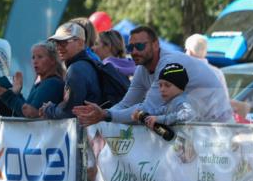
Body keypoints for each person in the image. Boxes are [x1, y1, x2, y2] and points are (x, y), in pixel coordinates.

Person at [73, 25, 233, 125]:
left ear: (156, 45)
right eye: (130, 48)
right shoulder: (142, 69)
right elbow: (126, 104)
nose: (134, 52)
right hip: (197, 124)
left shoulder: (168, 63)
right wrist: (100, 116)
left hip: (216, 126)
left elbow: (148, 109)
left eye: (140, 46)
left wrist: (105, 115)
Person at [35, 22, 102, 120]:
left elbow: (69, 112)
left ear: (80, 43)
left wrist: (48, 109)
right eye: (56, 43)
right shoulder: (88, 64)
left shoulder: (76, 69)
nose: (58, 47)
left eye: (64, 42)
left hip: (86, 132)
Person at [1, 42, 66, 118]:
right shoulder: (40, 84)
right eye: (33, 57)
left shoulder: (52, 83)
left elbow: (29, 114)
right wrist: (17, 93)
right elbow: (26, 108)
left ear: (52, 60)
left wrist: (8, 96)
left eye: (40, 57)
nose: (35, 61)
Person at [135, 62, 196, 131]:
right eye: (160, 85)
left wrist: (161, 119)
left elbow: (188, 113)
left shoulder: (182, 101)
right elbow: (160, 111)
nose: (162, 89)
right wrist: (143, 115)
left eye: (167, 85)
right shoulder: (171, 102)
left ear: (180, 86)